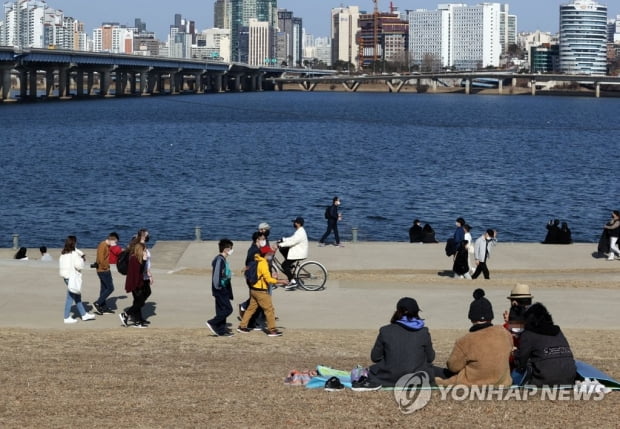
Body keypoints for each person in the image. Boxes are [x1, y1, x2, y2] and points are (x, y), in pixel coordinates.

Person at [353, 297, 437, 391]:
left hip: (387, 378)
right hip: (417, 379)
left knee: (367, 371)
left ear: (398, 311)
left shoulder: (385, 331)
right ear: (416, 312)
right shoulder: (423, 332)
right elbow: (431, 358)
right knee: (435, 370)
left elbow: (375, 357)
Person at [435, 289, 513, 386]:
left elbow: (453, 366)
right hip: (502, 382)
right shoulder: (504, 333)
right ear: (491, 317)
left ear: (471, 318)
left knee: (435, 373)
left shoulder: (465, 341)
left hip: (472, 383)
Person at [514, 303, 576, 387]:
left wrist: (514, 353)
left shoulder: (528, 334)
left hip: (545, 380)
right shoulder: (557, 331)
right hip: (569, 378)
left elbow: (521, 362)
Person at [237, 246, 287, 337]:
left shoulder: (257, 260)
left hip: (253, 289)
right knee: (269, 310)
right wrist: (281, 281)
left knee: (251, 309)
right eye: (270, 253)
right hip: (261, 291)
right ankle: (272, 330)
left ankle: (242, 326)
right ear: (266, 254)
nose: (272, 255)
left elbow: (261, 275)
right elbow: (269, 280)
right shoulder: (263, 263)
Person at [58, 235, 96, 324]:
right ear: (74, 243)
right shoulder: (74, 254)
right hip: (72, 277)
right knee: (70, 297)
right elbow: (79, 266)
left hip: (66, 277)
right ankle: (66, 317)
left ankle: (83, 314)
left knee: (77, 296)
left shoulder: (63, 254)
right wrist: (82, 259)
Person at [119, 229, 152, 328]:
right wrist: (144, 261)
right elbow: (138, 269)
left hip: (141, 278)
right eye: (147, 235)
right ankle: (128, 315)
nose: (148, 236)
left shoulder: (140, 249)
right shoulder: (136, 252)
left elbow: (141, 267)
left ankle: (137, 318)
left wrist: (149, 274)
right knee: (139, 300)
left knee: (142, 297)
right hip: (136, 281)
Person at [205, 239, 235, 337]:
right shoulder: (219, 260)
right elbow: (216, 276)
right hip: (220, 289)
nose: (232, 250)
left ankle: (221, 330)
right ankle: (213, 322)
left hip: (224, 288)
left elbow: (224, 273)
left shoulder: (223, 259)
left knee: (221, 310)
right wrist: (218, 287)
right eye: (231, 248)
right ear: (226, 249)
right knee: (228, 309)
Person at [278, 217, 308, 291]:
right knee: (282, 249)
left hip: (299, 253)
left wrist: (281, 244)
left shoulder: (300, 232)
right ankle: (290, 266)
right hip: (298, 251)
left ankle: (293, 282)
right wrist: (283, 239)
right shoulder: (299, 231)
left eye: (295, 222)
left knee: (284, 265)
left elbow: (292, 242)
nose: (293, 224)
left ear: (298, 223)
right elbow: (292, 238)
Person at [92, 232, 119, 315]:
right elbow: (100, 259)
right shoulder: (103, 245)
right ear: (112, 239)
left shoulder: (107, 246)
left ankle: (103, 307)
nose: (116, 243)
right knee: (110, 288)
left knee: (104, 289)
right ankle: (97, 303)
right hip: (103, 270)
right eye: (116, 242)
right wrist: (106, 267)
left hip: (104, 269)